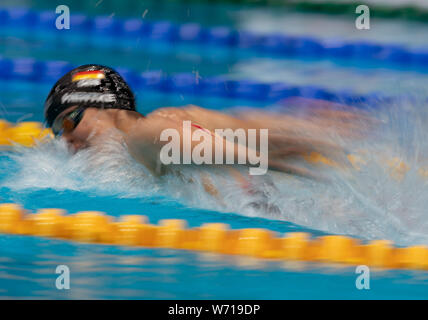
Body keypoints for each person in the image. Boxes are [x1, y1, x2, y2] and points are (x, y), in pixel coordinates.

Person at [44, 64, 368, 188]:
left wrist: (323, 177)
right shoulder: (173, 117)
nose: (67, 140)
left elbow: (257, 157)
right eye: (60, 133)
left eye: (70, 122)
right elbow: (253, 132)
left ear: (109, 107)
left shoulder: (143, 137)